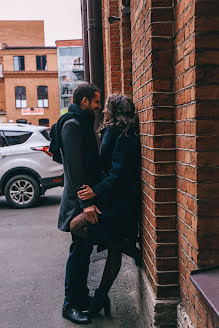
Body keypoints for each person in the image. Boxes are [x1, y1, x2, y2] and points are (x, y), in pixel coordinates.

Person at [71, 94, 141, 317]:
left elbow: (118, 173)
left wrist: (95, 190)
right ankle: (127, 248)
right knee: (114, 249)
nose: (102, 110)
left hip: (120, 203)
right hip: (112, 200)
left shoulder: (125, 137)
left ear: (115, 110)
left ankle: (99, 298)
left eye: (106, 106)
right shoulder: (112, 131)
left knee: (77, 226)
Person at [50, 83, 101, 325]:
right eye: (96, 102)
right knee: (79, 253)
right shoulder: (72, 125)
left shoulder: (82, 123)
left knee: (84, 252)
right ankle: (70, 304)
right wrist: (85, 205)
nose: (98, 107)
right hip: (77, 202)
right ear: (84, 101)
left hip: (84, 199)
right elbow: (75, 168)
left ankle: (81, 298)